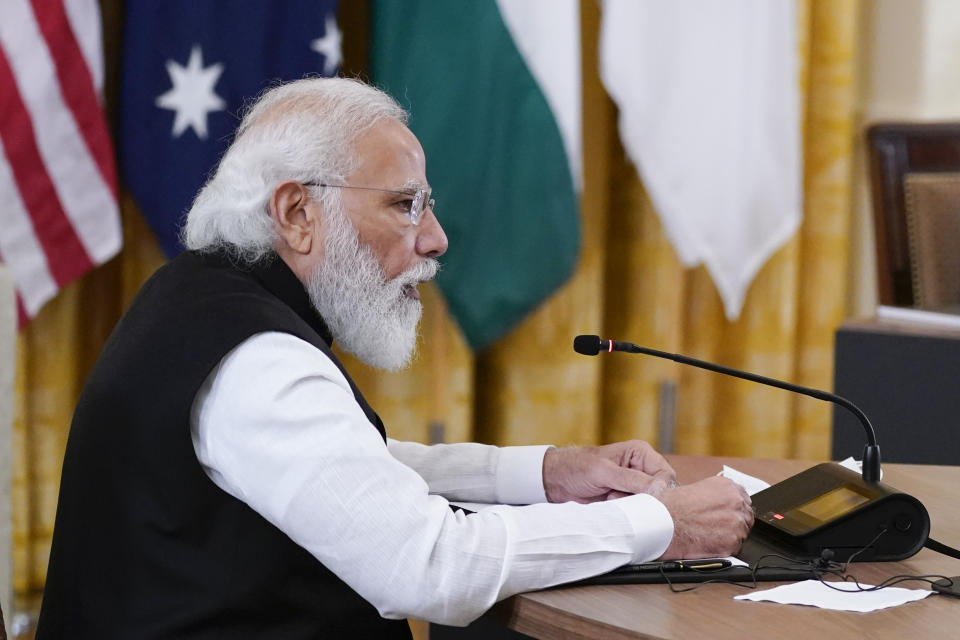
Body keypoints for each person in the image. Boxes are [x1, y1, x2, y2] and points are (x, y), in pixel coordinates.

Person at [36, 77, 752, 638]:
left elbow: (344, 473)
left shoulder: (202, 300)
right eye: (405, 204)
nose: (435, 238)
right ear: (296, 214)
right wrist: (663, 525)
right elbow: (428, 567)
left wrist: (546, 474)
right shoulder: (256, 360)